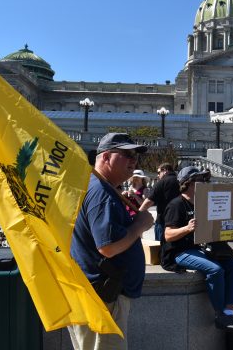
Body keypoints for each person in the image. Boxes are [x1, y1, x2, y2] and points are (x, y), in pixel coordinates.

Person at [69, 133, 155, 349]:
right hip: (104, 299)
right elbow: (107, 247)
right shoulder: (102, 193)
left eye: (135, 156)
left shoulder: (94, 185)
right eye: (127, 154)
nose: (134, 160)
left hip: (97, 294)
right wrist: (139, 226)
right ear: (106, 157)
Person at [160, 166, 233, 332]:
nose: (205, 183)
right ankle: (220, 314)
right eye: (200, 180)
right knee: (215, 270)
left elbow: (213, 229)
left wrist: (232, 232)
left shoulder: (203, 202)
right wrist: (187, 228)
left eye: (204, 180)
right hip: (178, 252)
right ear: (189, 183)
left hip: (200, 247)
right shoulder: (176, 204)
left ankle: (229, 310)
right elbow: (168, 235)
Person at [139, 162, 180, 241]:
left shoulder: (162, 182)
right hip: (178, 221)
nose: (158, 175)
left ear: (164, 170)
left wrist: (139, 213)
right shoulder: (181, 181)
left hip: (163, 221)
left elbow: (149, 200)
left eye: (158, 172)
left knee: (160, 248)